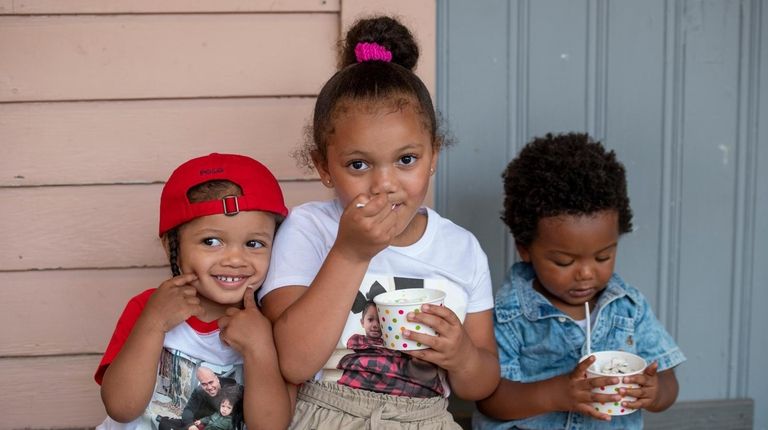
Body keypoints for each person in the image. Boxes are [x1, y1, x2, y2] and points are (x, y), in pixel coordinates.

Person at [259, 15, 500, 429]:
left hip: (425, 418)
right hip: (327, 415)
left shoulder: (461, 249)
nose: (384, 185)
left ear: (434, 155)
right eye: (358, 164)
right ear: (324, 167)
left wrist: (461, 356)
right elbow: (294, 363)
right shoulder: (309, 230)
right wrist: (350, 253)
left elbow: (483, 384)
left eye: (407, 160)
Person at [473, 133, 686, 429]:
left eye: (603, 257)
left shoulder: (628, 308)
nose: (586, 273)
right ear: (525, 248)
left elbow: (667, 380)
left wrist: (654, 391)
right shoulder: (510, 314)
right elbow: (490, 399)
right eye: (564, 262)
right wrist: (558, 393)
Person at [94, 153, 294, 429]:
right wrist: (153, 324)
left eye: (254, 243)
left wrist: (259, 348)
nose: (235, 259)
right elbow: (121, 407)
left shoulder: (272, 319)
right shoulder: (148, 309)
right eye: (211, 241)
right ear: (171, 246)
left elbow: (270, 426)